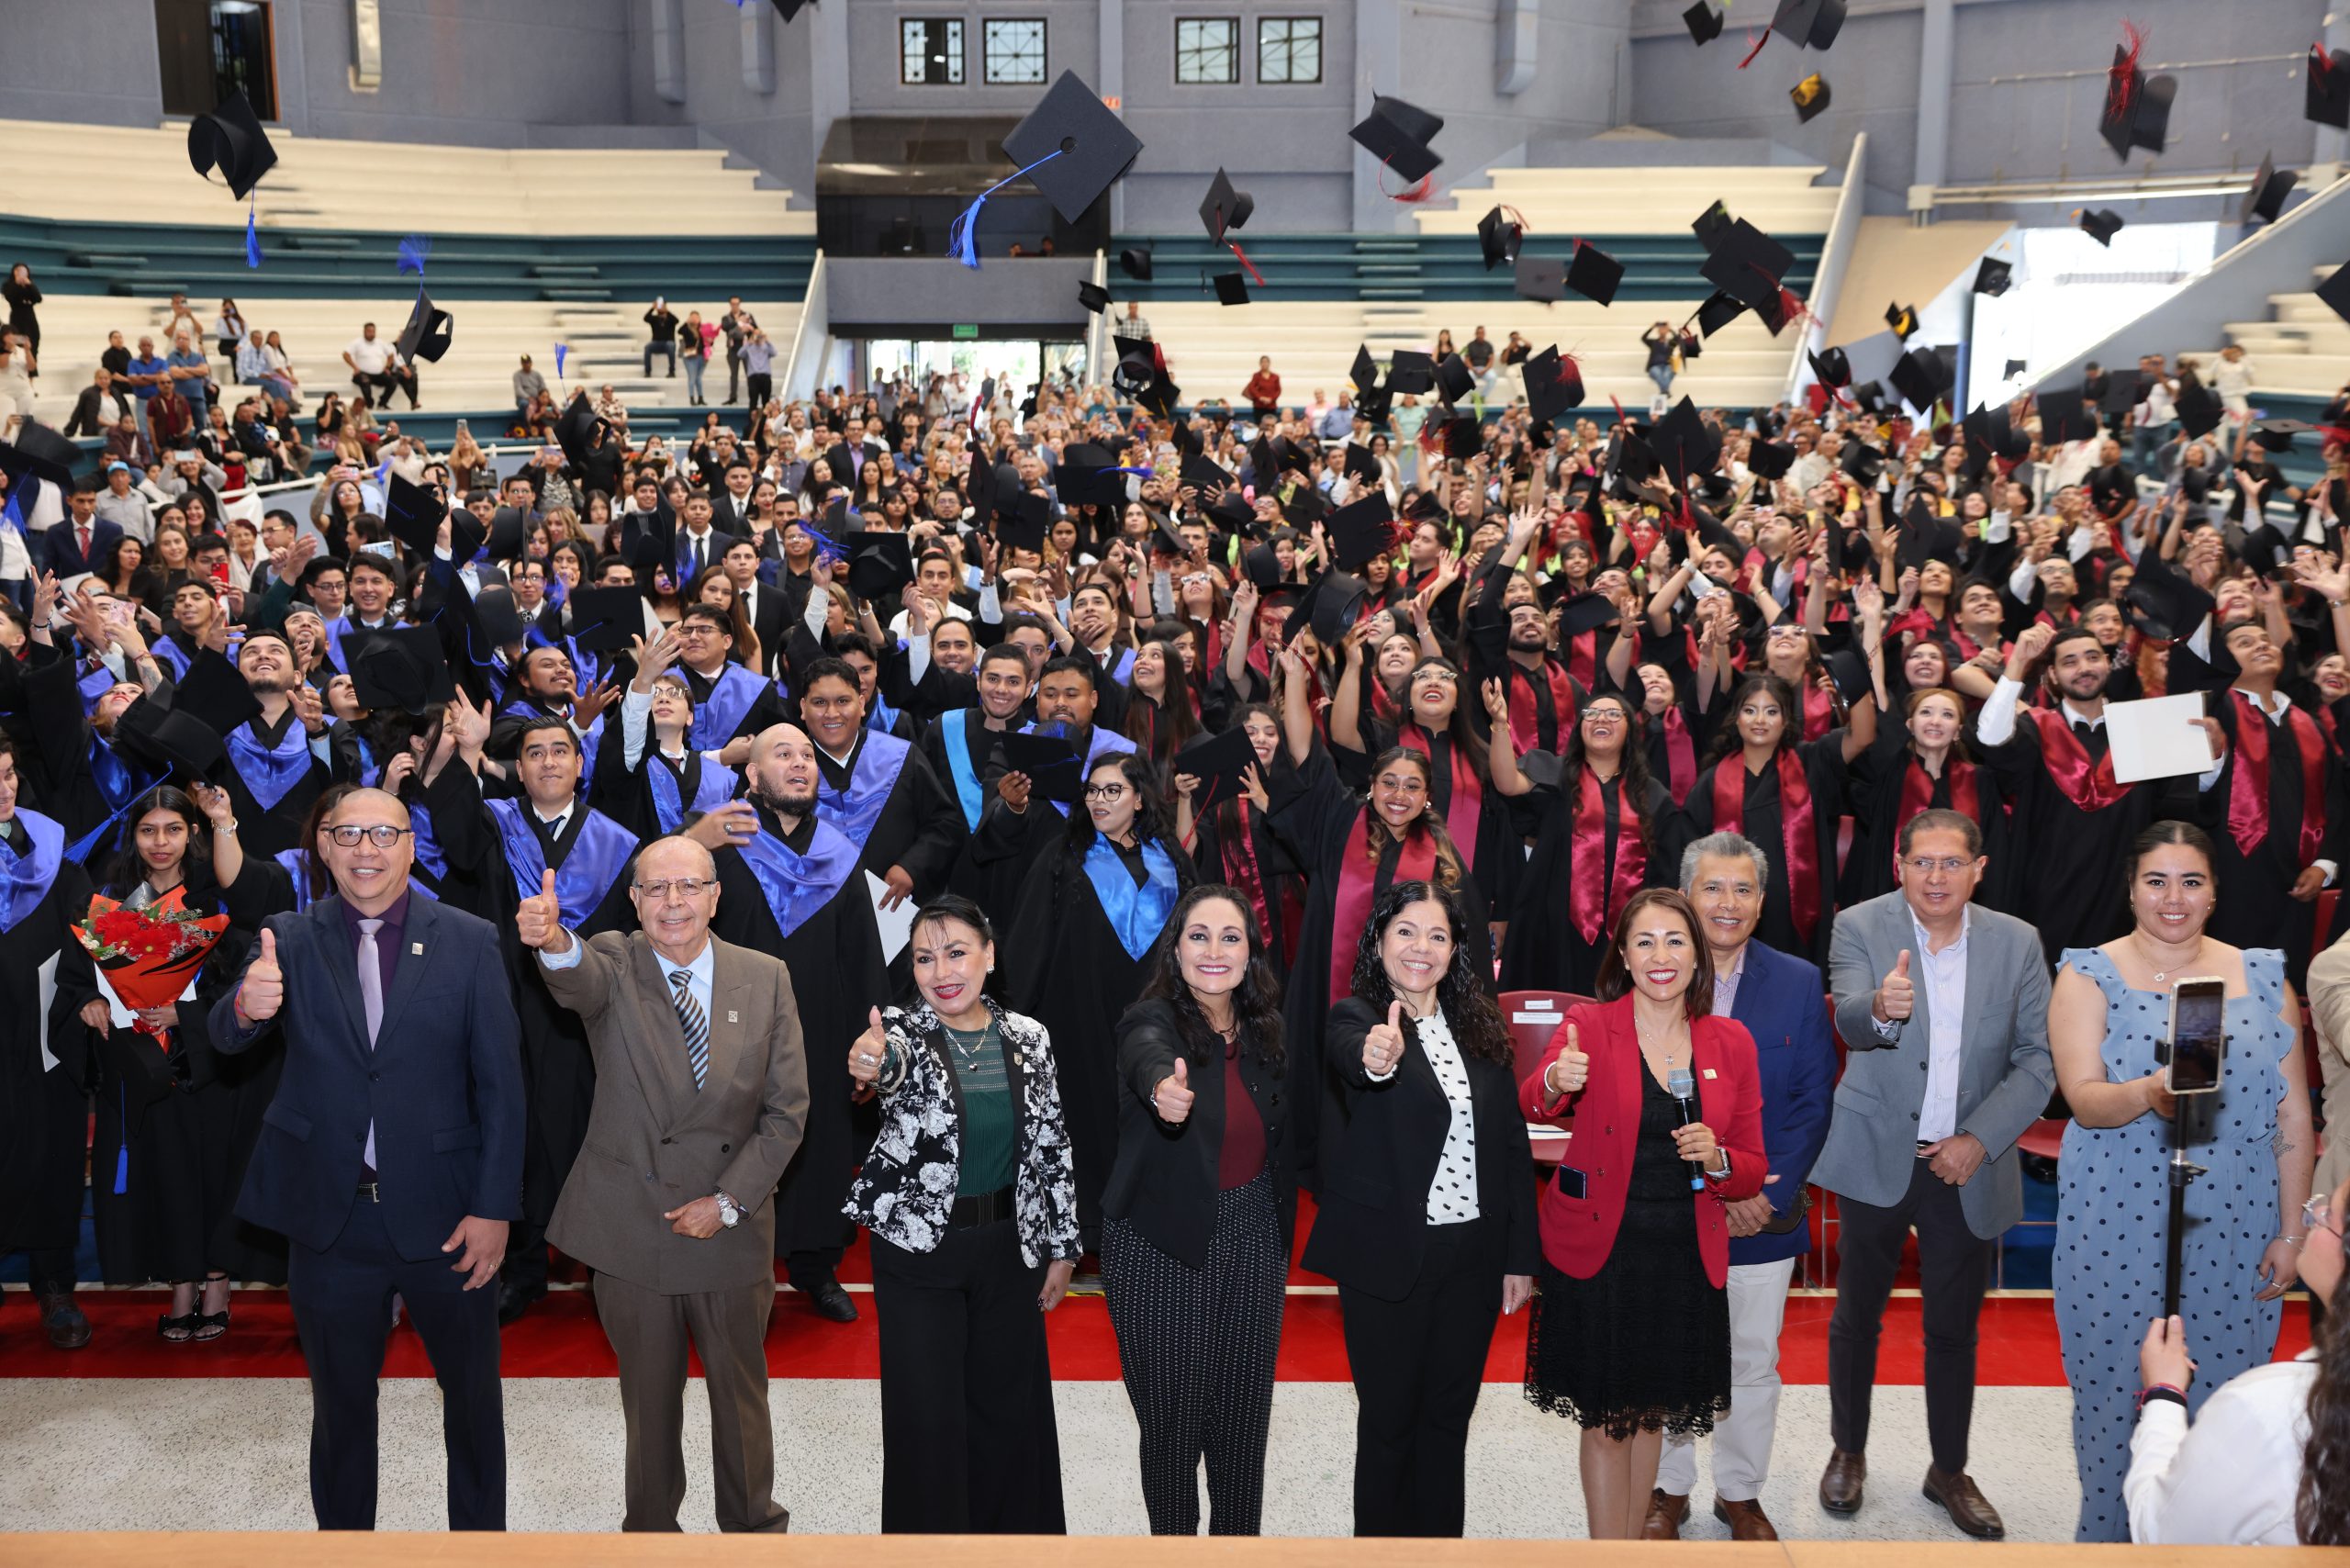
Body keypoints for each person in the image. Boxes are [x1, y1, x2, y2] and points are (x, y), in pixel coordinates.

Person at [207, 786, 524, 1529]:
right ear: (323, 847)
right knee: (341, 1409)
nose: (365, 850)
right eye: (346, 833)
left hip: (451, 1219)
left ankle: (480, 1547)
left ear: (411, 846)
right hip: (331, 1222)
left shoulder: (471, 938)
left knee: (474, 1405)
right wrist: (245, 1008)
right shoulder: (288, 935)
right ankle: (343, 1546)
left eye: (384, 834)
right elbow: (224, 1036)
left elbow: (503, 1089)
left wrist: (494, 1208)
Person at [521, 834, 807, 1534]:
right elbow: (574, 975)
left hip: (729, 1224)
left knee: (741, 1398)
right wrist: (553, 937)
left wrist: (729, 1201)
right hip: (634, 1223)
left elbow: (786, 1110)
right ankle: (649, 1538)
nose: (672, 902)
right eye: (655, 888)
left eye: (688, 886)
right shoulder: (616, 961)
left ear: (716, 896)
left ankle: (752, 1532)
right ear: (634, 900)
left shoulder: (765, 974)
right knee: (648, 1402)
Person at [2048, 820, 2314, 1541]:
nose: (2174, 897)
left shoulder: (2260, 975)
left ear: (2214, 892)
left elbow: (2293, 1114)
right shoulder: (2087, 972)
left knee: (2226, 1400)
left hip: (2236, 1219)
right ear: (2130, 889)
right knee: (2113, 1400)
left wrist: (2292, 1232)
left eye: (2191, 881)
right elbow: (2083, 1098)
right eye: (2156, 881)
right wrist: (2149, 1092)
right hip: (2117, 1217)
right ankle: (2107, 1543)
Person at [1818, 808, 2057, 1539]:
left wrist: (1978, 1140)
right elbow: (1854, 1020)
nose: (1936, 877)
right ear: (1899, 865)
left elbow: (2038, 1060)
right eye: (1922, 862)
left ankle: (1947, 1469)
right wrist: (1881, 1011)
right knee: (1857, 1316)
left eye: (1952, 863)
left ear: (1978, 870)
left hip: (1966, 1163)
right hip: (1877, 1152)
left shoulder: (2018, 942)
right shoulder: (1859, 925)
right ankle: (1847, 1451)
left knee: (1954, 1329)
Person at [1518, 887, 1766, 1540]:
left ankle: (1632, 1552)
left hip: (1682, 1256)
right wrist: (1554, 1081)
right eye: (1645, 941)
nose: (1661, 955)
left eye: (1676, 941)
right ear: (1624, 957)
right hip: (1603, 1254)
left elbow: (1748, 1163)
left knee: (1652, 1415)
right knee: (1606, 1421)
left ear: (1697, 957)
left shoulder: (1731, 1042)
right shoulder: (1589, 1028)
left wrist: (1716, 1157)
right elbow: (1533, 1102)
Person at [1309, 880, 1537, 1538]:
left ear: (1456, 951)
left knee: (1447, 1421)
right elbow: (1358, 1059)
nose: (1421, 947)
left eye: (1438, 935)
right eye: (1406, 931)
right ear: (1380, 942)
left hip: (1472, 1255)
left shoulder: (1482, 1029)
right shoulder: (1356, 1017)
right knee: (1388, 1424)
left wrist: (1519, 1255)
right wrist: (1376, 1057)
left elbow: (1510, 1147)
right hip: (1388, 1254)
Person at [845, 895, 1079, 1532]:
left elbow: (1051, 1145)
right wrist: (871, 1062)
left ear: (989, 956)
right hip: (920, 1255)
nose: (940, 971)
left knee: (1009, 1415)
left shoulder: (1030, 1038)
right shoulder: (902, 1032)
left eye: (955, 952)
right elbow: (880, 1068)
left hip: (1009, 1248)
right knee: (928, 1423)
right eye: (924, 958)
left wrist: (1062, 1247)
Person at [1648, 833, 1839, 1541]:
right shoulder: (1655, 974)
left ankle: (1740, 1492)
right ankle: (1668, 1487)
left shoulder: (1794, 982)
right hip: (1670, 1212)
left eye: (1743, 890)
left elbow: (1813, 1101)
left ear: (1761, 903)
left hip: (1764, 1213)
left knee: (1753, 1360)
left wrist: (1760, 1195)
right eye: (1712, 888)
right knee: (1667, 1350)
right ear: (1686, 895)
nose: (1726, 904)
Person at [1102, 884, 1291, 1535]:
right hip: (1160, 1240)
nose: (1215, 950)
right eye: (1199, 935)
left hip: (1254, 1232)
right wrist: (1161, 1088)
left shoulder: (1268, 1029)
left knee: (1242, 1427)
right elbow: (1144, 1054)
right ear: (1176, 947)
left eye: (1230, 936)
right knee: (1174, 1429)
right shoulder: (1150, 1019)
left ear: (1250, 952)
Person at [82, 782, 291, 1335]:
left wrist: (188, 1016)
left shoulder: (216, 896)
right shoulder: (112, 900)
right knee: (169, 1176)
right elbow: (79, 973)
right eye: (148, 830)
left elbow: (251, 972)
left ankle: (217, 1283)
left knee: (217, 1173)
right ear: (134, 836)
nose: (160, 842)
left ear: (191, 834)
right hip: (146, 1062)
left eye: (173, 829)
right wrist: (91, 999)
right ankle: (181, 1285)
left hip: (216, 1063)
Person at [1004, 748, 1192, 1261]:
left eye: (1113, 790)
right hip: (1077, 1012)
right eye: (1093, 791)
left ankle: (1147, 1223)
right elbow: (1030, 937)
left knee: (1151, 1111)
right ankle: (1085, 1230)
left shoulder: (1171, 858)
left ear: (1138, 798)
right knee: (1083, 1117)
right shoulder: (1064, 855)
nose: (1100, 799)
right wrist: (1016, 1010)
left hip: (1156, 1013)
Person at [2123, 1171, 2350, 1545]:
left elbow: (2160, 1533)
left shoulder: (2267, 1407)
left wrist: (2164, 1394)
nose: (2315, 1209)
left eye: (2329, 1215)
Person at [0, 739, 101, 1350]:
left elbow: (85, 933)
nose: (5, 789)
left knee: (51, 1149)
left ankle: (55, 1285)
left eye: (9, 773)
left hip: (45, 1027)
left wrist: (83, 997)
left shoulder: (53, 852)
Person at [643, 297, 679, 378]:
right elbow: (645, 318)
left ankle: (672, 371)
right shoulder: (654, 319)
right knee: (647, 347)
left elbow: (677, 321)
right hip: (656, 342)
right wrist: (652, 308)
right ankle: (647, 372)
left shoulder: (670, 318)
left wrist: (667, 311)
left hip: (668, 342)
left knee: (671, 346)